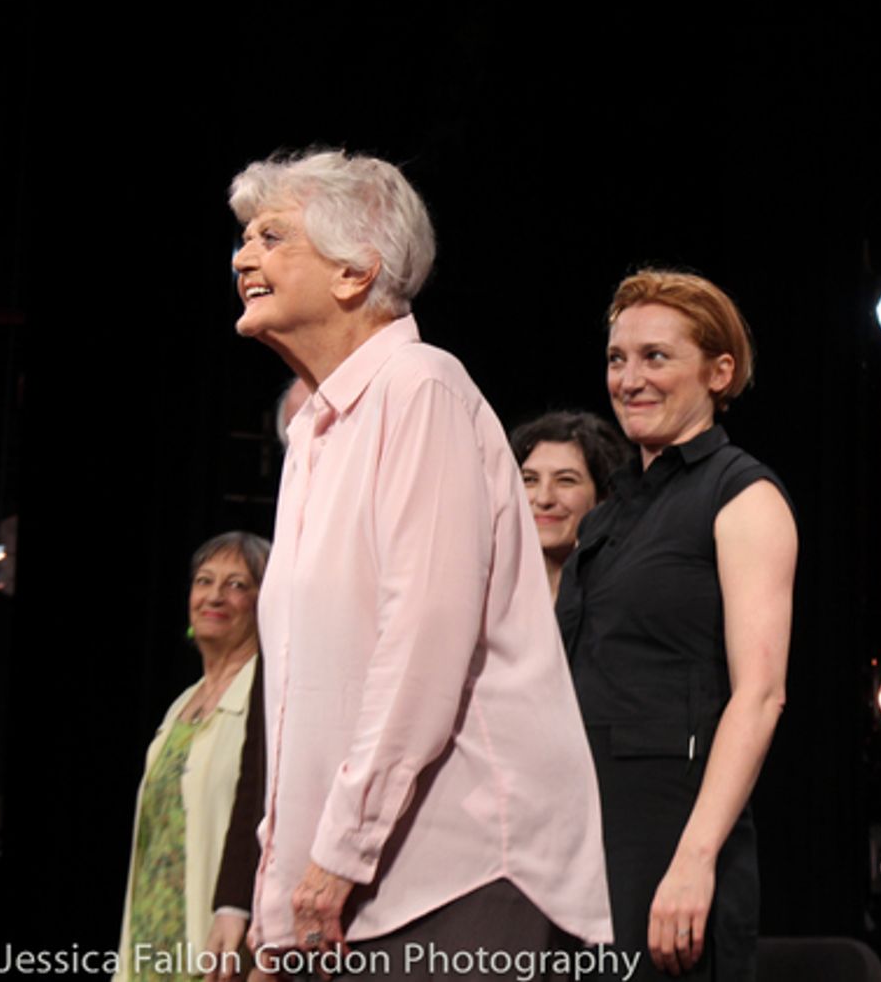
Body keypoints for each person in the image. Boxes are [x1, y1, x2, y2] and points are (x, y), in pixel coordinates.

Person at [227, 150, 611, 976]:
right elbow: (302, 695)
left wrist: (339, 851)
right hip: (354, 881)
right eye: (244, 238)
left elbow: (421, 645)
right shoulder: (316, 431)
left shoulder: (420, 388)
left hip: (459, 868)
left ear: (355, 269)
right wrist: (280, 896)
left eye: (271, 236)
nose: (242, 257)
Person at [554, 270, 797, 981]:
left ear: (719, 372)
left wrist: (694, 858)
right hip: (581, 830)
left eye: (655, 357)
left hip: (671, 831)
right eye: (617, 358)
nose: (629, 379)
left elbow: (760, 695)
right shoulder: (606, 518)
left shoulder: (742, 494)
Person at [115, 531, 271, 982]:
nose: (215, 596)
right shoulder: (181, 707)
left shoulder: (267, 699)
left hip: (221, 948)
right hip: (152, 942)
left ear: (264, 605)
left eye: (237, 585)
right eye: (204, 581)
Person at [510, 411, 630, 599]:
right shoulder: (489, 593)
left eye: (566, 480)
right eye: (530, 480)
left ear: (604, 496)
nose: (544, 499)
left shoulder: (625, 597)